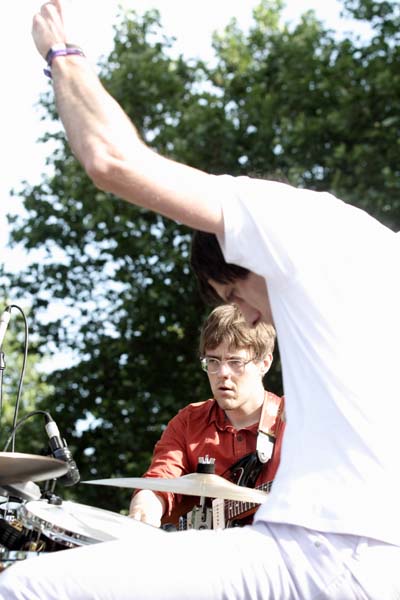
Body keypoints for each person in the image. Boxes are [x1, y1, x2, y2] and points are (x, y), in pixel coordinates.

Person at [0, 1, 398, 598]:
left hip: (326, 552)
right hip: (373, 555)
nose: (253, 316)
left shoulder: (294, 222)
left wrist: (61, 53)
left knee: (30, 586)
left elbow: (113, 160)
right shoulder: (380, 252)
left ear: (247, 251)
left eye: (236, 292)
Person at [128, 304, 284, 529]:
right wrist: (144, 507)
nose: (222, 373)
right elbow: (161, 478)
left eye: (235, 362)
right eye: (213, 361)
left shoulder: (294, 420)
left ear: (265, 363)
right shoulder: (189, 421)